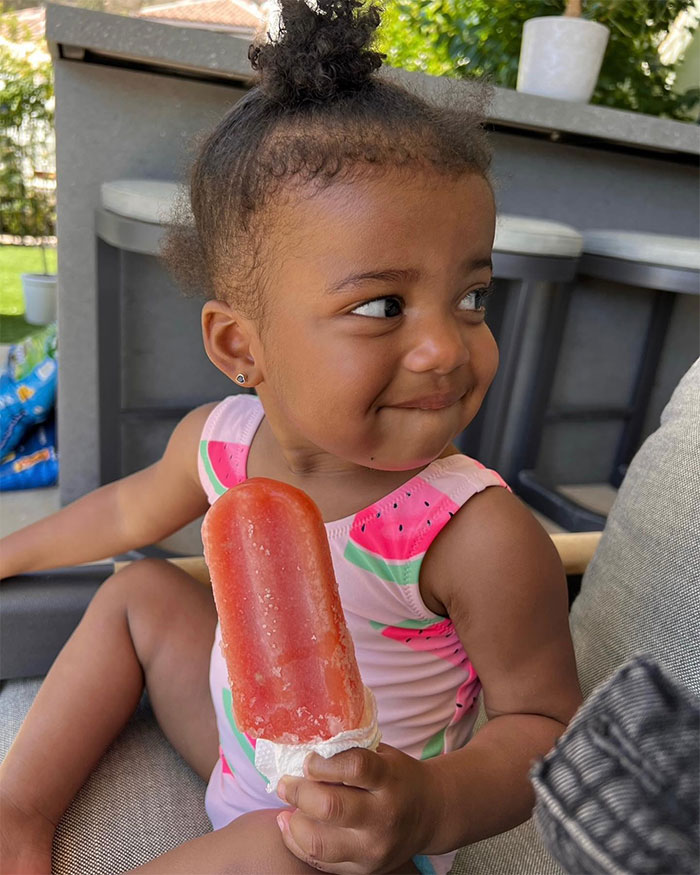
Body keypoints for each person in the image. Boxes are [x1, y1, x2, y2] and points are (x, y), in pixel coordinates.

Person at [0, 1, 582, 872]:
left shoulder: (474, 532)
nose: (444, 346)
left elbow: (545, 728)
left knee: (282, 852)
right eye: (382, 306)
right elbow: (125, 513)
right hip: (240, 744)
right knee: (138, 593)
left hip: (354, 833)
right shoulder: (223, 442)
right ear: (242, 346)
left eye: (471, 297)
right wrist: (9, 552)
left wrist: (426, 807)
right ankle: (18, 809)